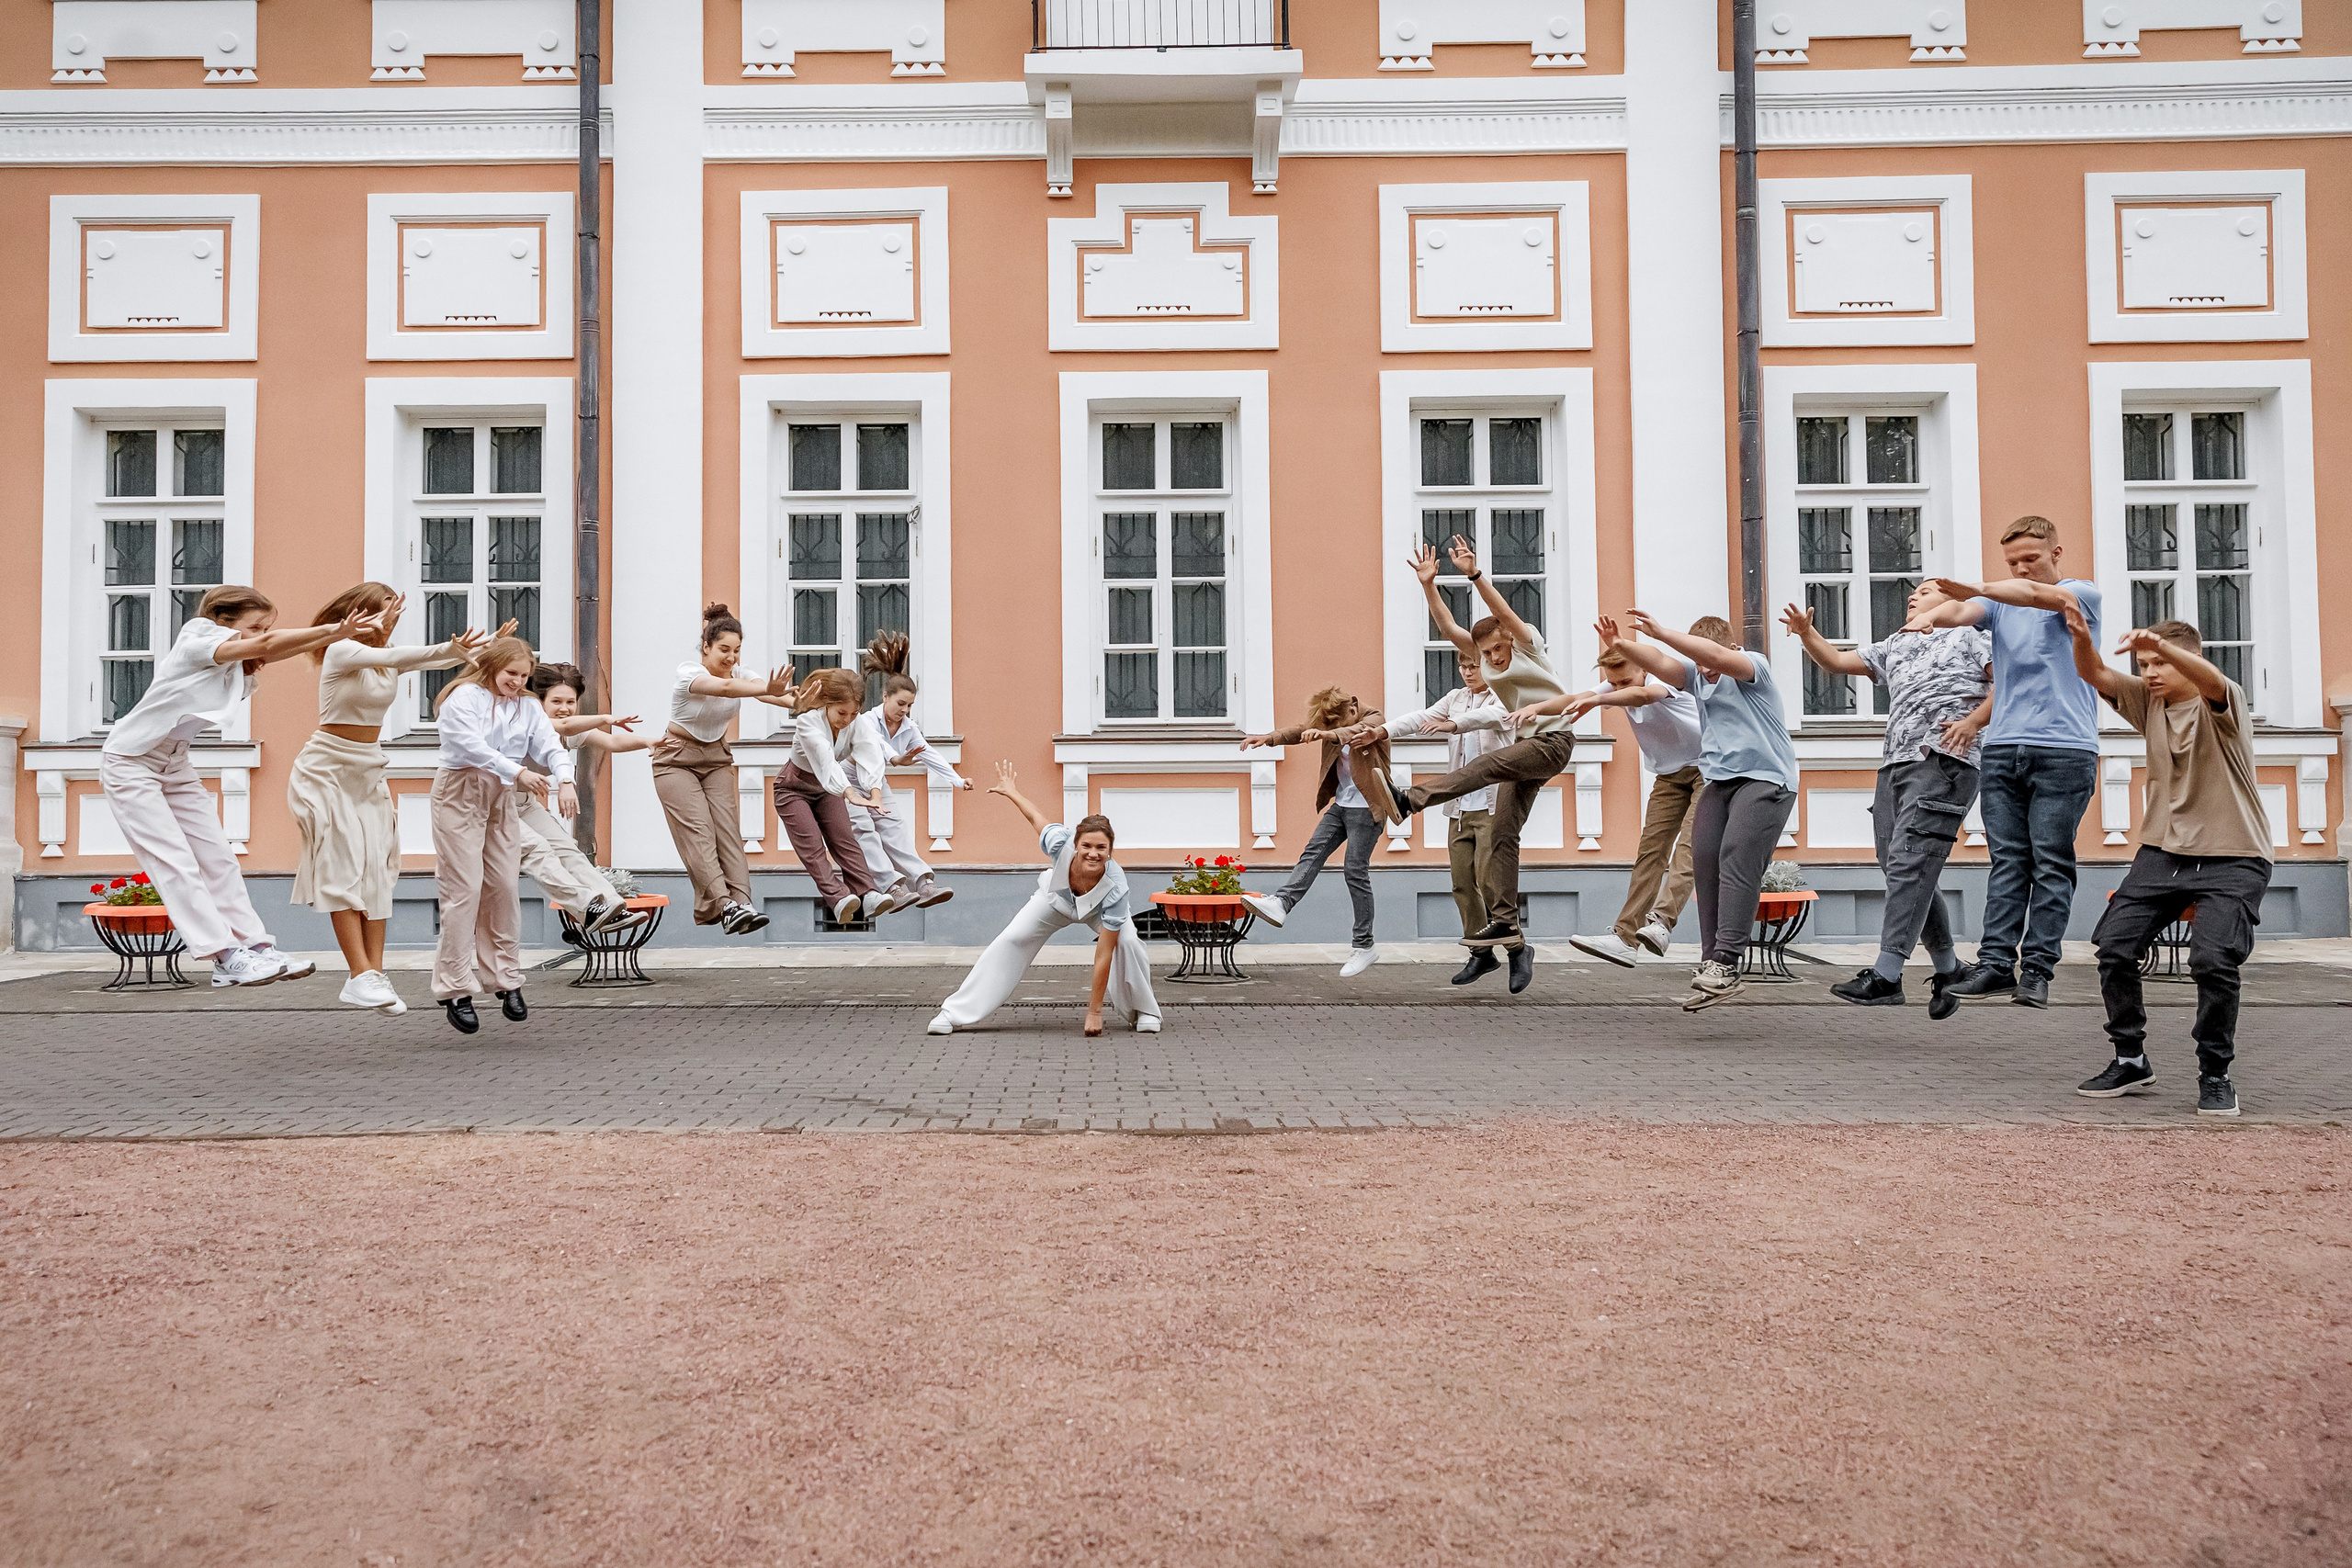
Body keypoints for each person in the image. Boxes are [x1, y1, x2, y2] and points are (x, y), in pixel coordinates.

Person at [99, 584, 364, 987]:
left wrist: (331, 635)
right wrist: (332, 632)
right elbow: (272, 644)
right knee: (175, 862)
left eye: (265, 628)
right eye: (254, 627)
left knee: (218, 857)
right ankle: (223, 955)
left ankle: (255, 947)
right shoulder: (197, 637)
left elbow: (272, 648)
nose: (261, 636)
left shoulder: (234, 668)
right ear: (222, 622)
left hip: (174, 763)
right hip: (130, 763)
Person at [2065, 614, 2271, 1119]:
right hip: (2163, 853)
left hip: (2234, 853)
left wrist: (2163, 644)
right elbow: (2095, 675)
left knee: (2212, 961)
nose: (2151, 672)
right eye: (2145, 664)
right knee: (2114, 947)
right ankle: (2131, 1058)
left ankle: (2216, 1074)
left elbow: (2211, 679)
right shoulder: (2149, 702)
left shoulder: (2221, 703)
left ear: (2189, 659)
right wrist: (2081, 639)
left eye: (2160, 662)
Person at [1910, 516, 2104, 1010]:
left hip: (2064, 748)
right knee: (2009, 861)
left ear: (2056, 555)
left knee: (2051, 861)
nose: (2021, 568)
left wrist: (1979, 586)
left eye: (2030, 559)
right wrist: (1935, 612)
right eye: (2012, 562)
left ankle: (2037, 970)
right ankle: (1997, 964)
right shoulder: (1996, 604)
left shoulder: (2081, 593)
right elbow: (1963, 613)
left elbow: (2042, 599)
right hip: (2004, 749)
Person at [1783, 585, 1993, 1015]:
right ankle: (1949, 967)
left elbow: (2011, 684)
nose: (1915, 595)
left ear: (1952, 602)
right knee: (1900, 865)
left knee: (1910, 862)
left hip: (1945, 759)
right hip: (1894, 764)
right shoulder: (1896, 642)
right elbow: (1837, 662)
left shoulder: (1972, 633)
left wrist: (1973, 723)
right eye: (1913, 591)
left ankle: (1887, 974)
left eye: (1928, 590)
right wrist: (1807, 633)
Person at [1389, 537, 1581, 993]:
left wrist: (1475, 575)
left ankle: (1412, 800)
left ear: (1511, 640)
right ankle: (1511, 936)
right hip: (1526, 754)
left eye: (1498, 650)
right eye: (1486, 655)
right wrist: (1429, 586)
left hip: (1552, 742)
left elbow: (1503, 613)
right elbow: (1450, 628)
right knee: (1503, 838)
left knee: (1491, 762)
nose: (1494, 660)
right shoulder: (1483, 659)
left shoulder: (1529, 645)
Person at [288, 583, 487, 1014]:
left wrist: (468, 651)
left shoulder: (386, 652)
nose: (387, 620)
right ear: (354, 615)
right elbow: (401, 657)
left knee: (378, 871)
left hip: (367, 770)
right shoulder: (341, 649)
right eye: (378, 612)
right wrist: (445, 649)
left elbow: (417, 657)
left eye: (391, 611)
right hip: (326, 771)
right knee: (341, 869)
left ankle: (373, 976)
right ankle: (359, 973)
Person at [1599, 612, 1800, 1012]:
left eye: (1711, 662)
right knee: (1705, 860)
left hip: (1766, 778)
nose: (1706, 672)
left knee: (1736, 858)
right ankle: (1713, 964)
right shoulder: (1695, 676)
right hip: (1720, 781)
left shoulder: (1752, 666)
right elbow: (1662, 665)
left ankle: (1727, 960)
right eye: (1700, 666)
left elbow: (1707, 657)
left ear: (1728, 649)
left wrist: (1661, 632)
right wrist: (1621, 645)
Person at [927, 762, 1162, 1038]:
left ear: (1110, 851)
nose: (1093, 853)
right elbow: (1035, 817)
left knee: (1129, 943)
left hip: (1099, 911)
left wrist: (1094, 1012)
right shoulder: (1059, 843)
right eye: (1086, 846)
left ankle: (1145, 1011)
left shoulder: (1116, 887)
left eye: (1101, 848)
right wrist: (1012, 791)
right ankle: (954, 1013)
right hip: (1055, 901)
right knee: (1010, 939)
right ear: (1076, 845)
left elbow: (1103, 954)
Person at [430, 636, 570, 1034]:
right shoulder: (464, 697)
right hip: (460, 790)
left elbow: (549, 744)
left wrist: (567, 778)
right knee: (464, 890)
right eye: (512, 673)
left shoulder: (527, 705)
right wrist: (518, 771)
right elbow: (468, 745)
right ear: (492, 665)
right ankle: (455, 987)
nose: (518, 681)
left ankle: (506, 979)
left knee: (504, 886)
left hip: (501, 796)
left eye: (524, 675)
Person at [1353, 651, 1518, 987]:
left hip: (1492, 805)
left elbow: (1491, 717)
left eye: (1475, 665)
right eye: (1464, 665)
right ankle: (1481, 954)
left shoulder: (1506, 693)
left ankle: (1517, 950)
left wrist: (1453, 725)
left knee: (1491, 882)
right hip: (1459, 808)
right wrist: (1382, 732)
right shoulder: (1456, 698)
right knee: (1461, 883)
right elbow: (1419, 718)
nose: (1469, 672)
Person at [1238, 684, 1403, 979]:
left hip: (1369, 807)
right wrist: (1268, 738)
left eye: (1334, 726)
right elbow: (1300, 730)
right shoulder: (1333, 720)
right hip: (1341, 805)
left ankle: (1364, 946)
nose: (1328, 731)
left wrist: (1328, 735)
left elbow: (1359, 730)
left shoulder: (1374, 718)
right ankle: (1282, 903)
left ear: (1351, 709)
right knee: (1312, 852)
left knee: (1355, 871)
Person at [1557, 647, 1704, 968]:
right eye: (1613, 683)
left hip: (1709, 769)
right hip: (1669, 775)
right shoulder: (1616, 685)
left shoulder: (1665, 680)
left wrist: (1599, 700)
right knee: (1650, 851)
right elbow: (1574, 698)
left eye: (1625, 681)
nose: (1618, 688)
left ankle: (1662, 923)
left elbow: (1643, 695)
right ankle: (1625, 938)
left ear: (1643, 669)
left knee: (1690, 847)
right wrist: (1527, 709)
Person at [651, 604, 793, 936]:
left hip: (715, 757)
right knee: (700, 834)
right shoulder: (688, 674)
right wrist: (768, 690)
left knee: (728, 832)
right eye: (724, 650)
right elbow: (728, 690)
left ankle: (742, 903)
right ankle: (723, 903)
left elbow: (777, 696)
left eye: (737, 651)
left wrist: (805, 701)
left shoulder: (743, 674)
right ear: (706, 647)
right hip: (675, 760)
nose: (731, 658)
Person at [522, 661, 650, 941]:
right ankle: (586, 908)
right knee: (539, 851)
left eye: (571, 701)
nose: (565, 708)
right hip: (491, 804)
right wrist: (605, 717)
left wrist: (649, 742)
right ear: (538, 700)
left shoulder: (571, 730)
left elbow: (612, 743)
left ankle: (612, 906)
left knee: (568, 849)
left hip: (522, 803)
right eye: (556, 701)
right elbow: (565, 725)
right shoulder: (529, 720)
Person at [849, 633, 967, 914]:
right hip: (849, 782)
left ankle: (924, 883)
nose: (904, 710)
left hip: (876, 782)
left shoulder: (908, 728)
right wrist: (897, 758)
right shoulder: (866, 721)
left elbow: (929, 754)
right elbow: (874, 746)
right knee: (865, 831)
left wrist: (958, 780)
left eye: (910, 705)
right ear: (885, 697)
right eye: (900, 704)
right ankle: (893, 887)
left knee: (895, 828)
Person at [775, 666, 891, 926]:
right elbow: (825, 758)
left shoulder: (855, 722)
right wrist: (849, 792)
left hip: (828, 788)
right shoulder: (808, 721)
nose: (847, 719)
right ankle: (839, 898)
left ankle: (869, 893)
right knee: (813, 847)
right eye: (841, 712)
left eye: (854, 713)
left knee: (845, 839)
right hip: (793, 788)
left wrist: (875, 793)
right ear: (827, 704)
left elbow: (869, 750)